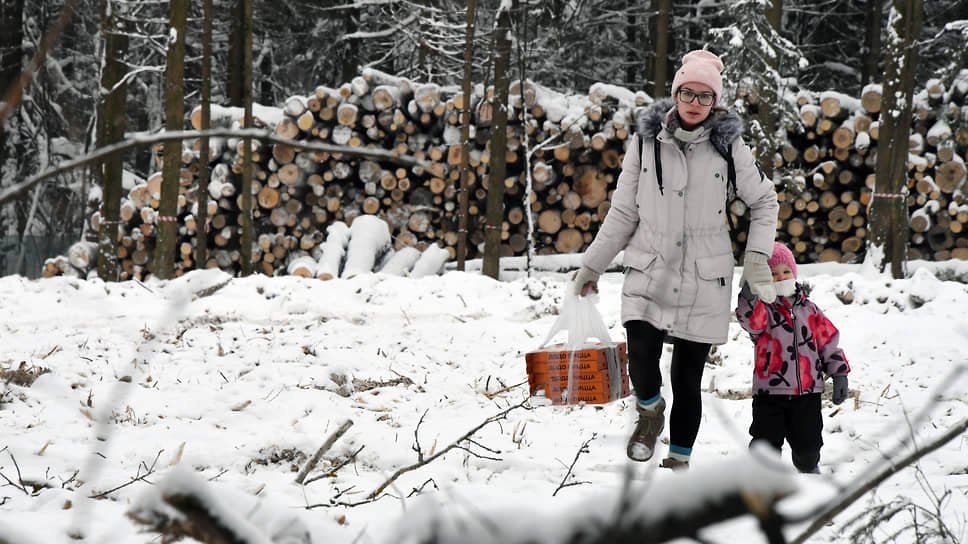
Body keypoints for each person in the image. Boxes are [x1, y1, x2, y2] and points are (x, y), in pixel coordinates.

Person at [572, 49, 779, 470]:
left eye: (705, 97)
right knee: (642, 356)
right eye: (688, 92)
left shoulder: (728, 146)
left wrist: (757, 258)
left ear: (715, 103)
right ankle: (649, 411)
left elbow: (764, 200)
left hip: (706, 273)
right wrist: (593, 264)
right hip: (650, 262)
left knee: (688, 378)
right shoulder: (646, 141)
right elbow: (624, 210)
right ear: (675, 92)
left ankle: (678, 464)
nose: (695, 103)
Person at [735, 241, 850, 474]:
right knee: (765, 445)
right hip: (770, 393)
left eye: (786, 271)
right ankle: (761, 479)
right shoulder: (763, 309)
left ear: (794, 273)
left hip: (806, 394)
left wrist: (839, 373)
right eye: (773, 274)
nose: (781, 277)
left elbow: (828, 341)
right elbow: (750, 321)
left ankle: (808, 468)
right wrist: (749, 295)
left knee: (808, 446)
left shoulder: (810, 310)